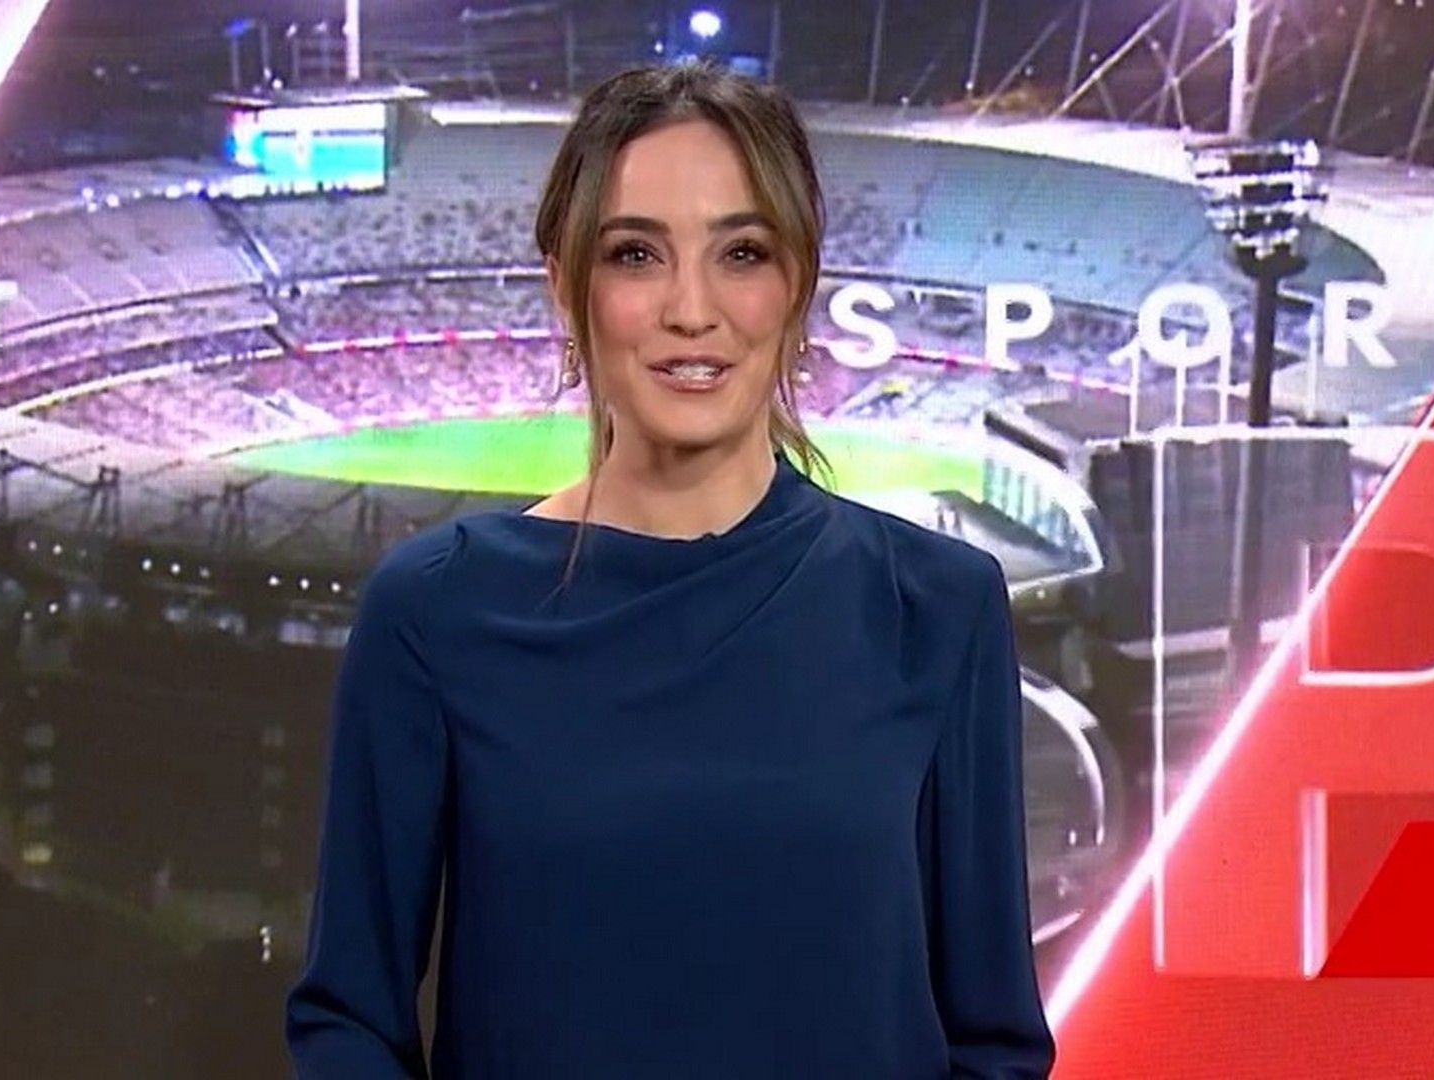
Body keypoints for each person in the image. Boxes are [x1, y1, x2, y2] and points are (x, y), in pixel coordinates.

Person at [285, 60, 1055, 1079]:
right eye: (637, 254)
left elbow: (995, 1042)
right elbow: (349, 1020)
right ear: (568, 286)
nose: (693, 309)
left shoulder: (939, 605)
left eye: (742, 252)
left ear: (796, 284)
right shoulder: (435, 610)